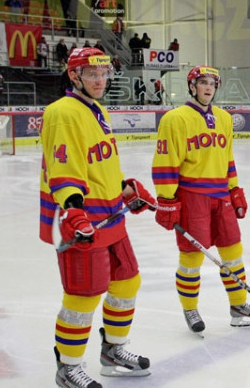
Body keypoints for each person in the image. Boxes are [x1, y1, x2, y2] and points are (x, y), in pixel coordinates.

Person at [38, 47, 154, 387]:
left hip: (110, 213)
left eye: (104, 74)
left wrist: (124, 190)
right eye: (92, 75)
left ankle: (113, 349)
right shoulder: (63, 112)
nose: (100, 81)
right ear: (75, 76)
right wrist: (74, 211)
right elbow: (62, 168)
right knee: (84, 293)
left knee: (127, 279)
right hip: (84, 216)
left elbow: (98, 162)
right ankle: (68, 366)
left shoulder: (96, 109)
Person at [152, 66, 250, 335]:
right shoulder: (175, 119)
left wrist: (234, 189)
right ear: (192, 87)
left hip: (221, 196)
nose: (208, 88)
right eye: (202, 83)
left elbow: (227, 158)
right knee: (192, 257)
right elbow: (165, 163)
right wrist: (167, 198)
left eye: (212, 84)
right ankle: (190, 308)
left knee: (233, 252)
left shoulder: (224, 118)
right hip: (192, 196)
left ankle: (238, 307)